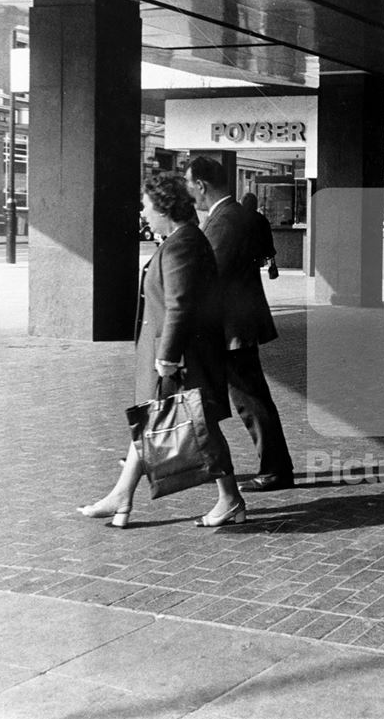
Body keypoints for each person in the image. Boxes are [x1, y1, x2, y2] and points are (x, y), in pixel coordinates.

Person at [77, 174, 246, 528]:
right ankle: (122, 496)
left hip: (180, 358)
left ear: (164, 208)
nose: (142, 211)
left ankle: (230, 499)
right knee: (157, 422)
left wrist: (167, 356)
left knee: (198, 426)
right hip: (181, 355)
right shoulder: (179, 240)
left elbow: (180, 305)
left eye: (146, 205)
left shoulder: (182, 243)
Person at [185, 157, 294, 492]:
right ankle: (273, 466)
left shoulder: (223, 221)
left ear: (201, 185)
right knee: (246, 396)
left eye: (190, 187)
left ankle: (275, 469)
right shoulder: (240, 215)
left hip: (230, 327)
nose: (191, 195)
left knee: (249, 398)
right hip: (240, 321)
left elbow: (207, 274)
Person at [240, 192, 279, 278]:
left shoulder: (237, 218)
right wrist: (272, 262)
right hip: (256, 258)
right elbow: (268, 242)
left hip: (240, 259)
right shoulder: (261, 219)